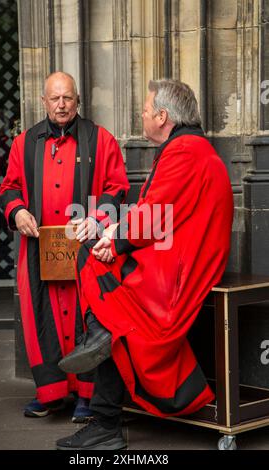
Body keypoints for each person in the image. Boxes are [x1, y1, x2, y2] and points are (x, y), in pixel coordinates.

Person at [56, 79, 234, 450]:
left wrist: (115, 241)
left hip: (179, 272)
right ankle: (100, 341)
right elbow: (161, 214)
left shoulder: (184, 151)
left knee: (96, 268)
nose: (142, 114)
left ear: (163, 116)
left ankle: (104, 411)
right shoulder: (190, 148)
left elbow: (155, 216)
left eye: (146, 108)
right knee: (100, 267)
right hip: (179, 258)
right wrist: (117, 235)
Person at [0, 72, 130, 421]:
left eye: (67, 98)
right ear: (43, 102)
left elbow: (117, 187)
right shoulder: (23, 144)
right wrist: (19, 210)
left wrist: (98, 218)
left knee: (89, 319)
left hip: (86, 250)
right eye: (55, 98)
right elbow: (8, 188)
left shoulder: (100, 140)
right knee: (42, 317)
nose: (61, 105)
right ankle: (51, 394)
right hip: (39, 250)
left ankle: (88, 396)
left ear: (77, 101)